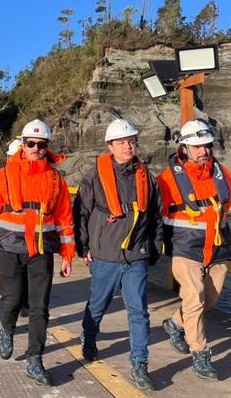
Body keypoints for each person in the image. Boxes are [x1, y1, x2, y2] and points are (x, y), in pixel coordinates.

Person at [0, 118, 75, 387]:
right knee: (12, 299)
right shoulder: (5, 174)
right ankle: (6, 329)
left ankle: (35, 359)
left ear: (47, 146)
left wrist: (68, 254)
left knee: (39, 307)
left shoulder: (56, 179)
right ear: (23, 143)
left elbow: (65, 219)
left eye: (42, 144)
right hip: (10, 249)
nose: (36, 148)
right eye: (31, 143)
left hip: (41, 251)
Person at [73, 118, 163, 390]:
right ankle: (89, 336)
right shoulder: (94, 176)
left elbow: (156, 214)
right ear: (110, 146)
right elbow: (81, 212)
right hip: (105, 254)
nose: (128, 146)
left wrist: (155, 246)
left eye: (132, 141)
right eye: (122, 142)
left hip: (136, 254)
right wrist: (83, 247)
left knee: (138, 310)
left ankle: (139, 364)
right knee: (98, 304)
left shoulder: (146, 176)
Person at [157, 119, 231, 381]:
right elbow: (156, 213)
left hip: (217, 247)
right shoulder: (168, 178)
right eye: (197, 146)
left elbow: (228, 204)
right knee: (195, 298)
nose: (204, 151)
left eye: (207, 146)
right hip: (185, 247)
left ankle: (175, 323)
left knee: (209, 300)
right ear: (184, 147)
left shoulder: (222, 173)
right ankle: (200, 354)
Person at [6, 138, 29, 318]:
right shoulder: (3, 178)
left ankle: (25, 303)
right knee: (14, 279)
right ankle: (19, 304)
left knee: (26, 274)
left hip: (29, 236)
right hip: (9, 238)